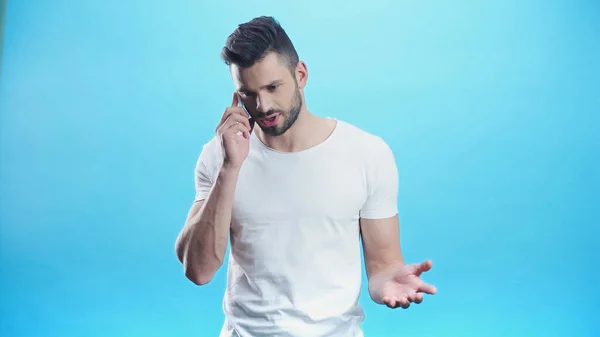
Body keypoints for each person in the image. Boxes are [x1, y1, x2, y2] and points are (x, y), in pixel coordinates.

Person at [175, 16, 437, 337]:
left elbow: (383, 266)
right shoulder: (219, 156)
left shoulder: (367, 153)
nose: (263, 105)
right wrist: (230, 167)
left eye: (273, 87)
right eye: (248, 93)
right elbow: (198, 270)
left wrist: (389, 283)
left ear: (301, 74)